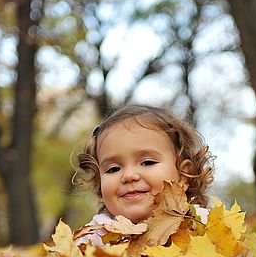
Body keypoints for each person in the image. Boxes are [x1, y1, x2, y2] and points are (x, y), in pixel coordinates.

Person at [73, 104, 214, 247]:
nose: (129, 176)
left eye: (147, 163)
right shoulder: (94, 237)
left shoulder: (202, 225)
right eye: (113, 169)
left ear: (184, 175)